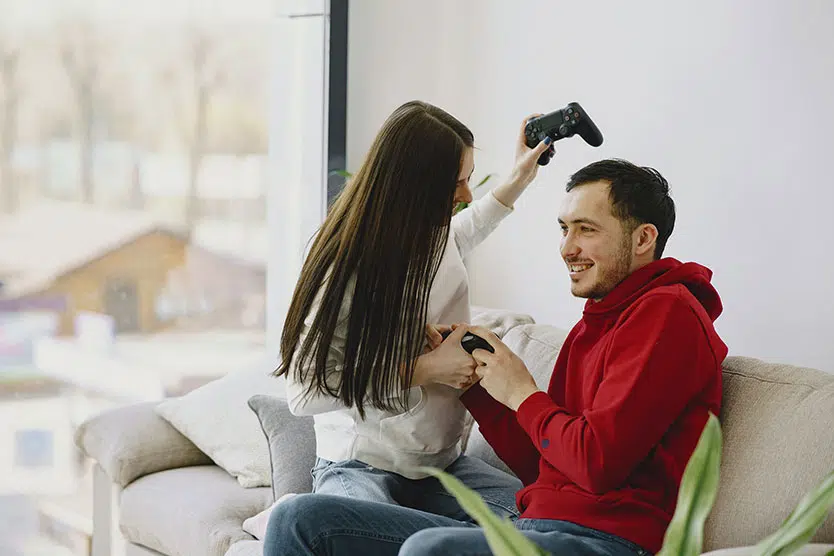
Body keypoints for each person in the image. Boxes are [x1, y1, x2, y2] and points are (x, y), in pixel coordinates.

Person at [264, 158, 729, 556]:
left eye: (587, 230)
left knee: (429, 550)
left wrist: (522, 391)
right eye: (565, 229)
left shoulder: (667, 314)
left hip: (605, 541)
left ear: (644, 238)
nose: (568, 248)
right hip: (539, 526)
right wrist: (478, 387)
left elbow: (596, 464)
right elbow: (546, 468)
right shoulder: (596, 321)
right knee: (298, 519)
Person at [270, 100, 555, 520]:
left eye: (468, 179)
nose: (465, 195)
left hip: (440, 469)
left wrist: (521, 174)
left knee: (542, 526)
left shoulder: (434, 238)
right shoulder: (345, 269)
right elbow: (304, 393)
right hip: (360, 466)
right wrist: (426, 368)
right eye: (455, 183)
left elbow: (473, 223)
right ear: (413, 186)